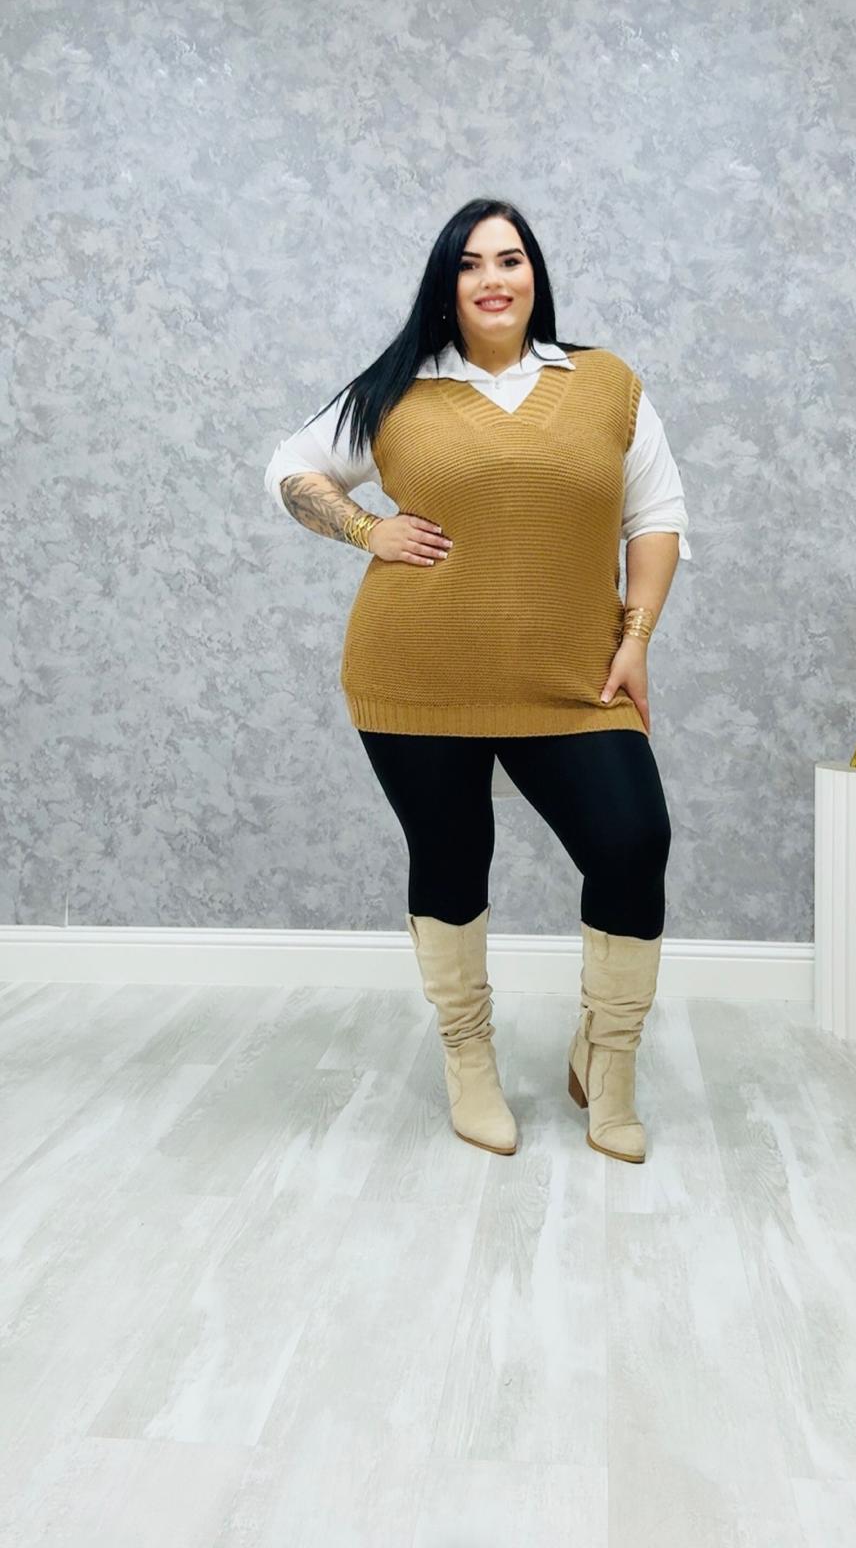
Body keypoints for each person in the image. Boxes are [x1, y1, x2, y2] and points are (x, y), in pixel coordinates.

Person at [263, 197, 692, 1165]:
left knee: (633, 842)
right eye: (469, 264)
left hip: (574, 676)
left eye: (509, 258)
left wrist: (637, 636)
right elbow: (290, 467)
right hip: (418, 672)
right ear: (445, 286)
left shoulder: (604, 381)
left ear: (535, 273)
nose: (492, 279)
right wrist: (366, 528)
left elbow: (657, 513)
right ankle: (469, 1060)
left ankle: (608, 1063)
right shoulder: (398, 389)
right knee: (452, 854)